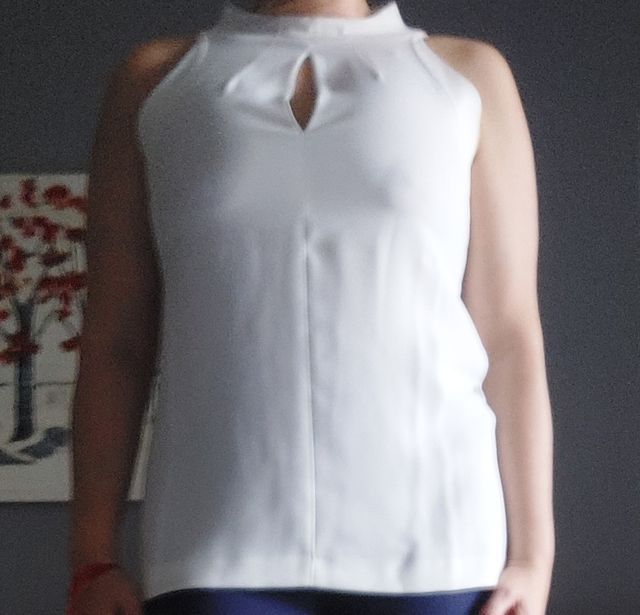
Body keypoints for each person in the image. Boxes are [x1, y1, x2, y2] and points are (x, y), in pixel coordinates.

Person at [67, 0, 555, 614]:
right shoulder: (154, 83)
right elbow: (116, 342)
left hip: (440, 550)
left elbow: (508, 334)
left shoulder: (466, 77)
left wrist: (533, 558)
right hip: (213, 548)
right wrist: (92, 560)